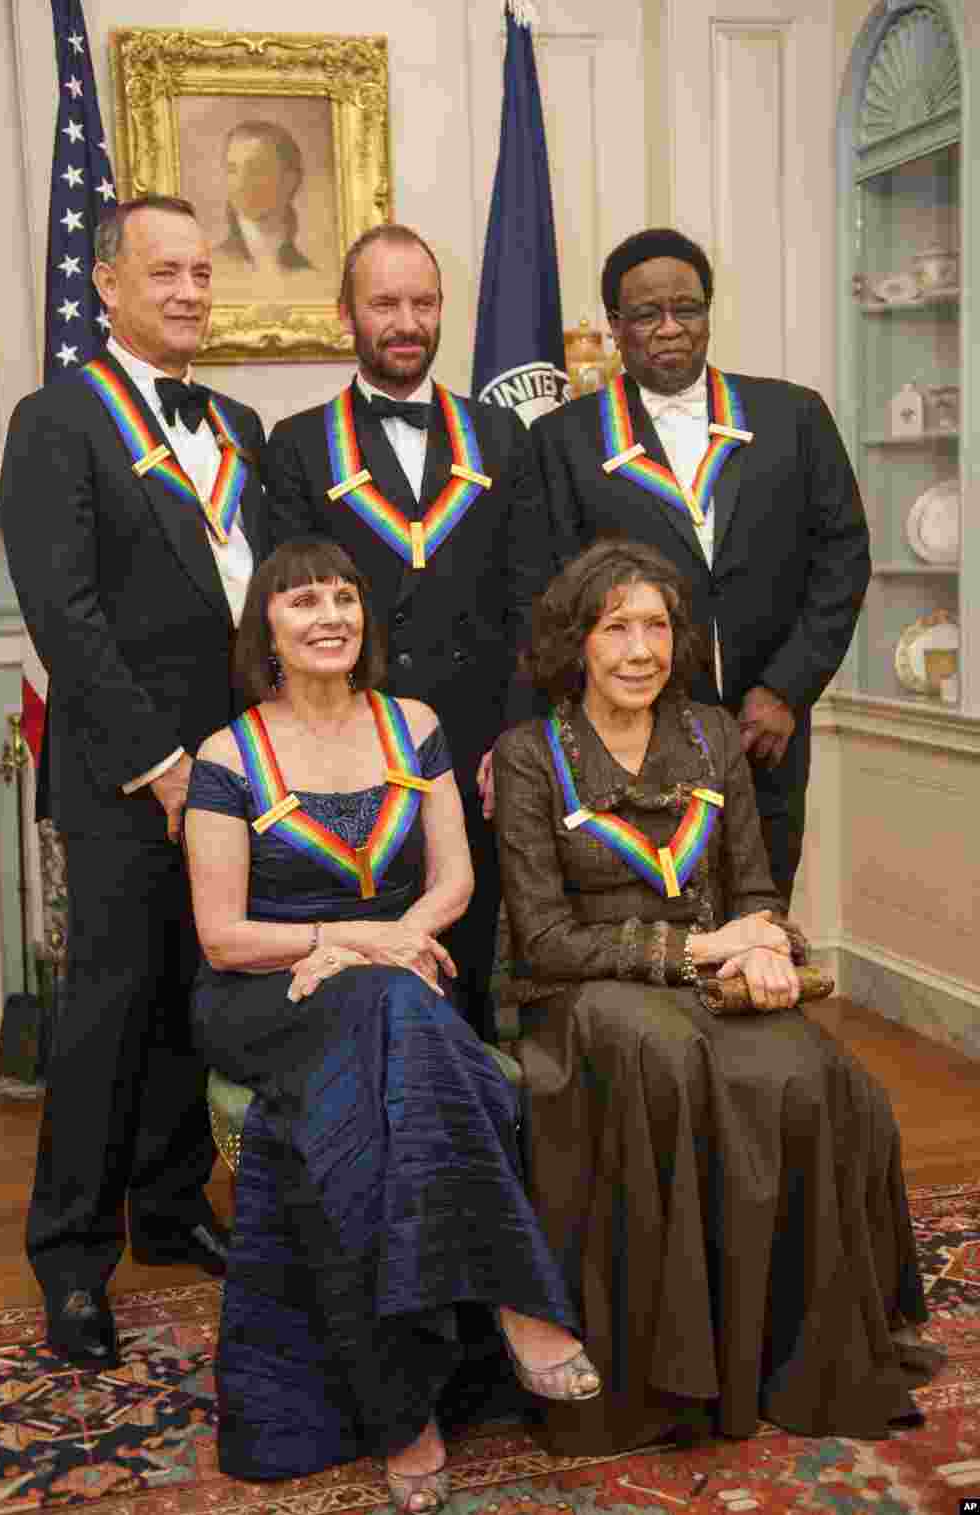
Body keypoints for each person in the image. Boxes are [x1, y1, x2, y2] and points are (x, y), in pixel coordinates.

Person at [493, 538, 942, 1457]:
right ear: (577, 642)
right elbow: (544, 939)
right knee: (666, 1060)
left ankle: (791, 1355)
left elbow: (754, 887)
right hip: (581, 994)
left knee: (817, 1075)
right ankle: (676, 1374)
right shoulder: (530, 753)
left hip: (713, 982)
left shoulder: (713, 734)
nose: (640, 649)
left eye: (656, 627)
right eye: (615, 627)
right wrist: (706, 946)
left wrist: (768, 941)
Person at [184, 537, 599, 1504]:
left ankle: (403, 1408)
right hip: (269, 993)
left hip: (394, 979)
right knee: (401, 1006)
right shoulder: (226, 754)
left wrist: (394, 940)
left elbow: (455, 879)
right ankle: (519, 1303)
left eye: (343, 598)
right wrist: (355, 940)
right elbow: (222, 936)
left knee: (384, 1058)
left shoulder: (415, 724)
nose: (329, 616)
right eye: (302, 602)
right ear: (266, 629)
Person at [0, 194, 268, 1369]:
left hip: (235, 772)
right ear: (106, 286)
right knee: (105, 1021)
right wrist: (161, 763)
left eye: (202, 272)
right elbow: (65, 614)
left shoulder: (242, 422)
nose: (190, 292)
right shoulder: (57, 419)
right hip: (125, 775)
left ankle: (168, 1207)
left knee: (191, 1005)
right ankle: (71, 1259)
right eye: (165, 272)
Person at [263, 223, 554, 1043]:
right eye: (384, 303)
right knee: (367, 963)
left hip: (477, 745)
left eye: (423, 303)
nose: (406, 322)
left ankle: (470, 1109)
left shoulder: (503, 437)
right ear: (345, 315)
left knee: (466, 957)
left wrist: (513, 736)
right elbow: (291, 614)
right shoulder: (297, 446)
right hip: (351, 747)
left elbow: (534, 599)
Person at [532, 228, 871, 904]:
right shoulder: (562, 440)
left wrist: (787, 689)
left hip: (765, 729)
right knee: (644, 917)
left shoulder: (794, 416)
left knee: (760, 911)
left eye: (686, 308)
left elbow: (843, 557)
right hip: (628, 732)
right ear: (615, 326)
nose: (669, 328)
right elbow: (553, 594)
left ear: (708, 313)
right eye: (646, 314)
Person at [213, 120, 314, 288]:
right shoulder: (213, 267)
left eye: (255, 169)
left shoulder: (310, 276)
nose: (240, 183)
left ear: (289, 180)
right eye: (232, 170)